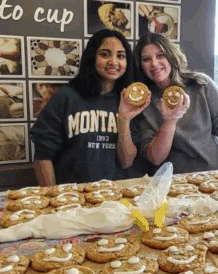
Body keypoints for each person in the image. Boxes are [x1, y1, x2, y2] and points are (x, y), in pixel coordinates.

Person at [31, 29, 143, 185]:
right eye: (104, 54)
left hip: (115, 198)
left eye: (121, 55)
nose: (113, 61)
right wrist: (53, 198)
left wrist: (124, 119)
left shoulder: (129, 102)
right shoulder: (66, 97)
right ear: (92, 57)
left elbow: (126, 162)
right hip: (73, 198)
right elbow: (43, 156)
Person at [132, 33, 218, 173]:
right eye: (146, 59)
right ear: (141, 65)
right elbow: (156, 158)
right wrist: (170, 121)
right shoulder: (144, 103)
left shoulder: (201, 84)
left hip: (211, 174)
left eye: (160, 55)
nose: (154, 63)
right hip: (172, 181)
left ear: (171, 56)